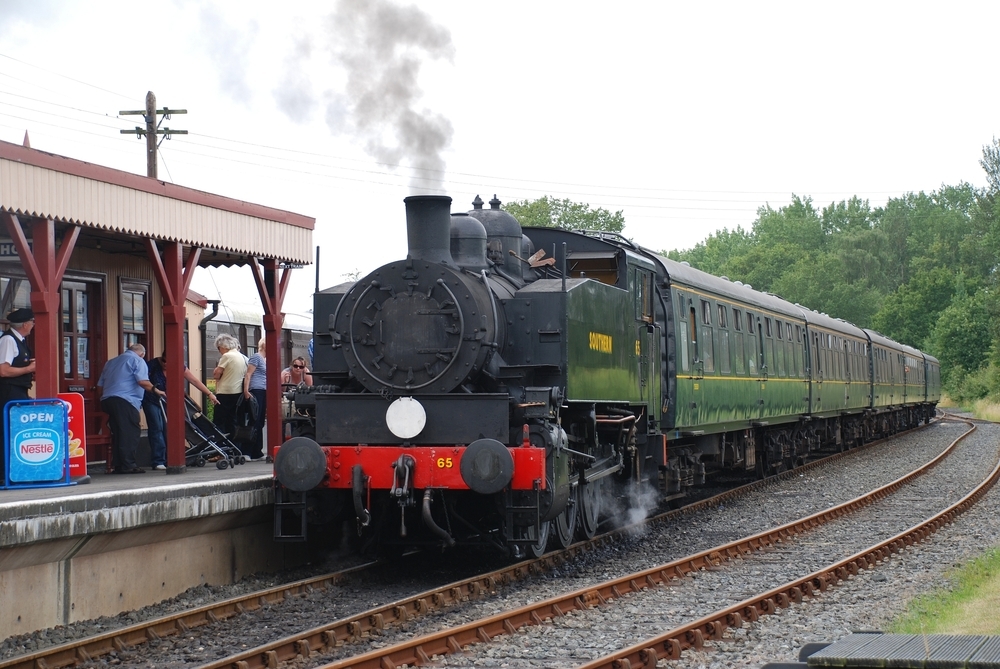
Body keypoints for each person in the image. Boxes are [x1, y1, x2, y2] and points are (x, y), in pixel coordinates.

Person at [143, 350, 220, 470]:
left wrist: (209, 394)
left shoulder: (180, 367)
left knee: (167, 429)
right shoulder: (152, 365)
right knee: (156, 428)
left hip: (169, 402)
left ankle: (168, 458)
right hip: (152, 400)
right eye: (163, 361)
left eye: (168, 362)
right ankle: (158, 460)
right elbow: (143, 381)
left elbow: (194, 380)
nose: (165, 364)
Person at [97, 343, 161, 474]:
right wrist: (157, 391)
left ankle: (118, 464)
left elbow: (100, 385)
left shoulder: (111, 362)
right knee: (130, 432)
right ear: (142, 354)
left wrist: (103, 397)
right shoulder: (138, 360)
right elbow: (142, 381)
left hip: (107, 400)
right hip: (125, 400)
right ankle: (129, 465)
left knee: (119, 432)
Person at [0, 307, 36, 474]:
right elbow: (3, 370)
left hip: (19, 389)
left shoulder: (19, 340)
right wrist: (28, 369)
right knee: (8, 429)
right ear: (25, 324)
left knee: (17, 430)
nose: (33, 325)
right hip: (9, 391)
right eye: (32, 322)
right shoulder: (8, 340)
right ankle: (4, 471)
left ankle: (16, 469)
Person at [212, 333, 247, 439]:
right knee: (232, 421)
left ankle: (220, 445)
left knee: (219, 421)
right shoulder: (241, 357)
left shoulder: (226, 356)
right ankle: (233, 445)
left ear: (223, 346)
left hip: (225, 392)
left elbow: (217, 374)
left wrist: (216, 372)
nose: (219, 351)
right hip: (237, 392)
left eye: (219, 348)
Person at [243, 338, 267, 460]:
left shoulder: (265, 359)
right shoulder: (256, 357)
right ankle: (248, 451)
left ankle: (257, 451)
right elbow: (248, 374)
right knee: (255, 420)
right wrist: (246, 390)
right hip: (256, 390)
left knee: (260, 421)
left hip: (263, 390)